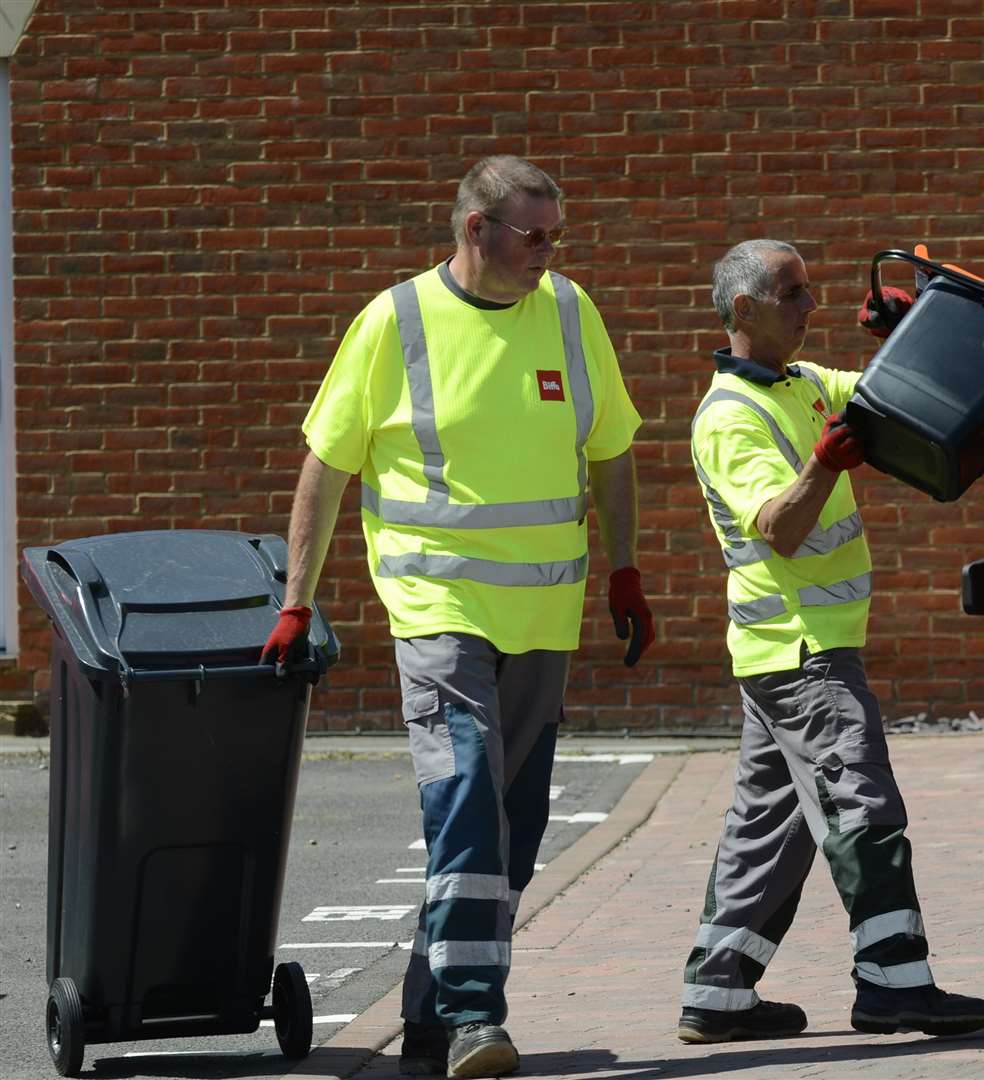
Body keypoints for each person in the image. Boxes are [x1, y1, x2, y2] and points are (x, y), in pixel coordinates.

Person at [261, 155, 654, 1079]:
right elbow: (327, 464)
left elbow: (613, 448)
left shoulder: (567, 309)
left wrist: (627, 571)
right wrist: (296, 599)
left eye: (556, 235)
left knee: (504, 831)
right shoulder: (392, 322)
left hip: (542, 616)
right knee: (468, 798)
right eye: (533, 234)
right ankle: (478, 1019)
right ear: (475, 229)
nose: (548, 253)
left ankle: (427, 1025)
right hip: (436, 609)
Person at [675, 239, 984, 1044]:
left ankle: (717, 990)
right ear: (743, 309)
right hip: (800, 653)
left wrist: (910, 331)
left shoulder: (805, 383)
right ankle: (895, 983)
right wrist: (822, 465)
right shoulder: (728, 417)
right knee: (862, 803)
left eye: (811, 291)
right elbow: (780, 527)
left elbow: (893, 402)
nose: (810, 307)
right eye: (792, 294)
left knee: (771, 826)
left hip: (791, 652)